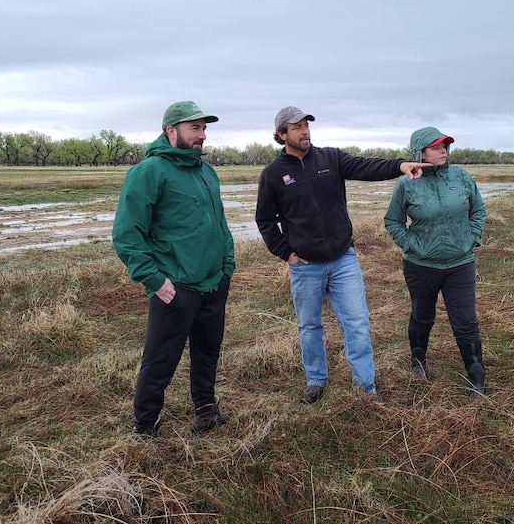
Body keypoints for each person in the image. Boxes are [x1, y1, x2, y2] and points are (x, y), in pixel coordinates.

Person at [255, 106, 430, 404]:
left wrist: (400, 166)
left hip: (342, 259)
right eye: (296, 127)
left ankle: (365, 388)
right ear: (282, 134)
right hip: (305, 266)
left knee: (357, 323)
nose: (305, 131)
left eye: (306, 126)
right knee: (309, 326)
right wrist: (287, 254)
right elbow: (265, 220)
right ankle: (316, 380)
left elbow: (366, 167)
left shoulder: (331, 158)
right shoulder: (273, 174)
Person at [112, 100, 235, 435]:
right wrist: (155, 280)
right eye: (195, 128)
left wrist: (227, 265)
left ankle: (206, 412)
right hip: (176, 288)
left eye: (204, 128)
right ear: (171, 131)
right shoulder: (149, 172)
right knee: (160, 360)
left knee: (208, 353)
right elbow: (126, 235)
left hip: (213, 283)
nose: (203, 135)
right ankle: (145, 428)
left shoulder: (206, 172)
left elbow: (220, 223)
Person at [383, 127, 488, 395]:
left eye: (446, 146)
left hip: (460, 263)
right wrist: (410, 244)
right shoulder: (407, 183)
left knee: (465, 320)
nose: (444, 150)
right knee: (422, 315)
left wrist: (471, 239)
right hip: (421, 266)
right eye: (436, 146)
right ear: (420, 152)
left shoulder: (461, 176)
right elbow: (393, 220)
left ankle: (476, 374)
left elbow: (478, 210)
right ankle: (418, 361)